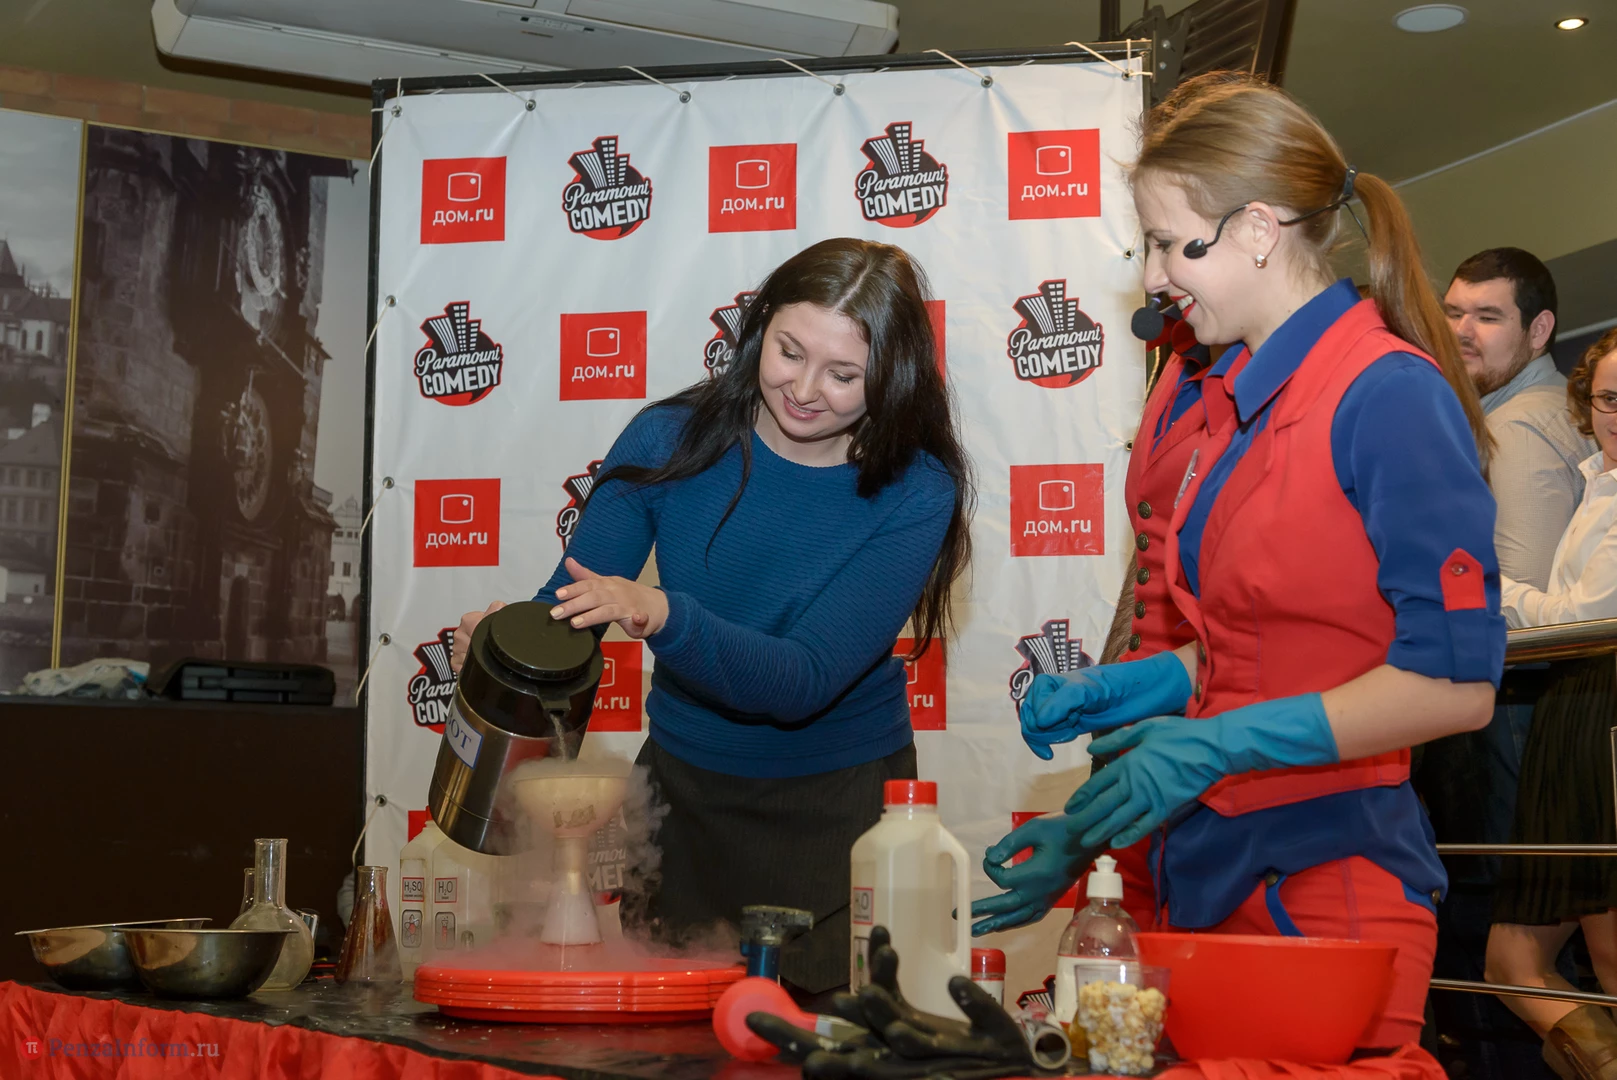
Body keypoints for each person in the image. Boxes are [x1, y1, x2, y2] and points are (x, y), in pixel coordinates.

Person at [972, 71, 1505, 1058]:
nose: (1153, 277)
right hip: (1209, 866)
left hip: (1326, 879)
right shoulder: (1238, 399)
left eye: (1170, 244)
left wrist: (1217, 744)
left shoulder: (1386, 394)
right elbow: (1262, 644)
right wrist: (1132, 703)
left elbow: (1457, 685)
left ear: (1258, 229)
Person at [451, 237, 973, 1001]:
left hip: (839, 811)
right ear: (759, 328)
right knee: (661, 1040)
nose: (804, 390)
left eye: (842, 375)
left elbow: (802, 680)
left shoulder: (915, 489)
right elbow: (570, 611)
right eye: (789, 353)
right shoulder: (669, 437)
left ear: (892, 376)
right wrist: (502, 656)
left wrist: (665, 614)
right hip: (679, 801)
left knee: (831, 1038)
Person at [1486, 328, 1617, 1080]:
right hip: (1574, 716)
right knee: (1511, 961)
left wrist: (1498, 594)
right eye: (1607, 399)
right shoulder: (1597, 482)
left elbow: (1587, 618)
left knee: (1607, 957)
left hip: (1602, 711)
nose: (1616, 415)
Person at [1445, 248, 1596, 591]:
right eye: (1453, 313)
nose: (1461, 332)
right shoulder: (1561, 403)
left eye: (1487, 317)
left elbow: (1523, 602)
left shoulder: (1517, 430)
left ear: (1539, 330)